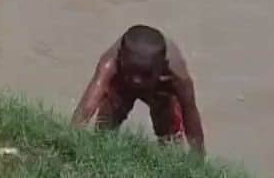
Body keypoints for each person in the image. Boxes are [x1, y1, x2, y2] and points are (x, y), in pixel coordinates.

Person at [72, 25, 205, 154]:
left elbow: (191, 117)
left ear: (164, 65)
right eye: (133, 73)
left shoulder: (177, 77)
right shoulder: (110, 64)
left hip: (159, 89)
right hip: (123, 81)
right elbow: (87, 106)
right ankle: (100, 156)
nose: (137, 81)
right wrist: (69, 139)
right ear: (120, 57)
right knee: (105, 127)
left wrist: (199, 159)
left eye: (145, 74)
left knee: (170, 140)